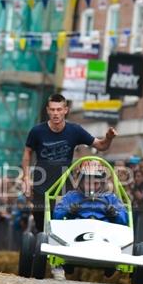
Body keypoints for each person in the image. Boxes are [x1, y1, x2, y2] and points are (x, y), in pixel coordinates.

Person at [22, 93, 117, 234]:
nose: (55, 113)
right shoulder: (37, 131)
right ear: (48, 110)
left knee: (60, 220)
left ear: (65, 110)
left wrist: (108, 138)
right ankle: (41, 249)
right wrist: (26, 178)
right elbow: (27, 153)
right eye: (52, 110)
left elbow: (101, 146)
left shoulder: (74, 130)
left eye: (59, 109)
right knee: (40, 223)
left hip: (63, 184)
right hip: (41, 183)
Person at [50, 164, 128, 281]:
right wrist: (68, 211)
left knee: (116, 227)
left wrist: (115, 214)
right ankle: (66, 263)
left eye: (95, 183)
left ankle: (111, 263)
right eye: (88, 183)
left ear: (102, 183)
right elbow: (56, 216)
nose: (92, 187)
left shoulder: (111, 198)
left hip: (105, 238)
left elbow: (124, 219)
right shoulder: (71, 197)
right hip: (75, 237)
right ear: (81, 182)